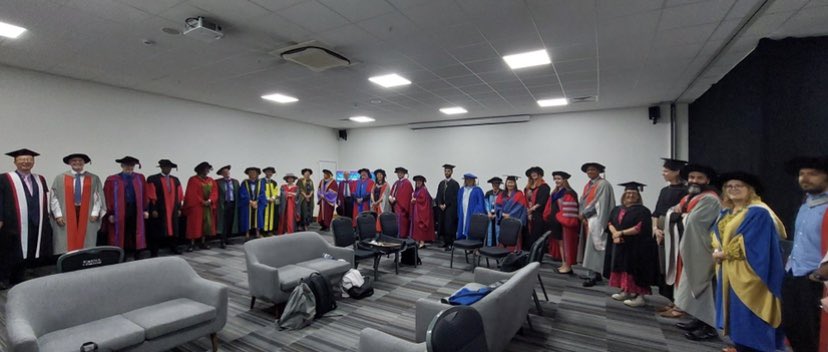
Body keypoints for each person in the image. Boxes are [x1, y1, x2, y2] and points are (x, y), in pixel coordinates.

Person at [712, 172, 786, 352]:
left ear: (750, 190)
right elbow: (717, 235)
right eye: (729, 186)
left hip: (751, 274)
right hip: (730, 271)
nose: (733, 189)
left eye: (739, 186)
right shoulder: (728, 212)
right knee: (737, 318)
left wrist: (725, 253)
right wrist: (717, 248)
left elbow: (753, 243)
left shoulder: (759, 213)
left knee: (751, 317)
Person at [781, 156, 828, 352]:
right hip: (795, 276)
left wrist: (821, 272)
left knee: (815, 336)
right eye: (802, 174)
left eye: (813, 174)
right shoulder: (805, 203)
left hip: (817, 281)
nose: (805, 178)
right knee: (794, 330)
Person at [670, 164, 721, 340]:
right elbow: (675, 211)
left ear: (707, 180)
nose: (694, 180)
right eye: (692, 177)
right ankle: (698, 319)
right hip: (691, 246)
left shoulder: (710, 199)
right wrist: (677, 214)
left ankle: (709, 327)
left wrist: (679, 215)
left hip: (702, 248)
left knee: (704, 288)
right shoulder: (691, 197)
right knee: (691, 285)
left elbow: (694, 223)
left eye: (699, 178)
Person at [0, 149, 52, 289]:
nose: (26, 162)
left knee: (29, 250)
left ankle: (20, 276)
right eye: (22, 160)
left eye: (29, 160)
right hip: (12, 222)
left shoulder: (39, 178)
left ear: (33, 162)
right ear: (15, 161)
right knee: (9, 250)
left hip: (35, 221)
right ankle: (4, 278)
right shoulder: (5, 178)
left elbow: (45, 199)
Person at [603, 182, 659, 308]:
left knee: (635, 271)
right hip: (620, 245)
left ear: (638, 196)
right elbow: (610, 223)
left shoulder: (643, 211)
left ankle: (640, 297)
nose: (630, 195)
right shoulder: (617, 209)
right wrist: (615, 234)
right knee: (623, 268)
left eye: (634, 193)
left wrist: (620, 233)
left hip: (637, 247)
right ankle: (626, 291)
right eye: (628, 193)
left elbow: (639, 228)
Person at [651, 158, 689, 313]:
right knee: (664, 267)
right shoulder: (664, 191)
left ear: (677, 172)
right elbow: (656, 212)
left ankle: (680, 303)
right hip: (660, 234)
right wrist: (655, 228)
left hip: (676, 234)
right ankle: (672, 300)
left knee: (676, 267)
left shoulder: (685, 192)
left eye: (666, 171)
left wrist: (667, 231)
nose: (663, 173)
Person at [49, 153, 104, 256]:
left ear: (84, 163)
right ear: (69, 163)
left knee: (87, 236)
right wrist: (58, 215)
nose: (77, 163)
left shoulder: (93, 178)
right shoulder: (60, 178)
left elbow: (98, 196)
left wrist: (95, 213)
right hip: (66, 212)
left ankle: (86, 258)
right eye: (74, 160)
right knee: (65, 238)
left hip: (87, 213)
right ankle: (66, 260)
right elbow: (54, 198)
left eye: (80, 161)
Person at [104, 156, 149, 260]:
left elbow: (145, 194)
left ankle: (136, 253)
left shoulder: (140, 177)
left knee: (135, 231)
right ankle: (121, 254)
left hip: (135, 209)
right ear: (122, 166)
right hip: (119, 210)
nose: (129, 168)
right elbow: (108, 197)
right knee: (122, 231)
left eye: (132, 166)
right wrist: (110, 213)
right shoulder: (112, 179)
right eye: (127, 165)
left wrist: (145, 209)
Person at [579, 162, 616, 287]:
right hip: (589, 220)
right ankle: (595, 273)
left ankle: (593, 275)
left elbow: (599, 204)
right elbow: (583, 200)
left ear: (599, 171)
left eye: (593, 169)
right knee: (591, 248)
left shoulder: (603, 184)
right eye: (588, 170)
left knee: (595, 248)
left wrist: (584, 213)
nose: (590, 172)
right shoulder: (589, 185)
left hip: (597, 221)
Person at [543, 171, 580, 275]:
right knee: (561, 244)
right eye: (555, 179)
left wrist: (558, 217)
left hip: (564, 224)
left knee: (566, 244)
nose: (557, 181)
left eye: (559, 179)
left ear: (564, 180)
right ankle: (564, 263)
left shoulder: (569, 193)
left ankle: (568, 265)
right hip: (557, 224)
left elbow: (569, 211)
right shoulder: (555, 193)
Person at [145, 159, 184, 256]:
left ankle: (174, 247)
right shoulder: (153, 179)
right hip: (160, 209)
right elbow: (151, 195)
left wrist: (179, 208)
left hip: (173, 209)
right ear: (161, 168)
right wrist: (153, 209)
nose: (168, 169)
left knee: (174, 229)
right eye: (166, 167)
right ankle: (154, 251)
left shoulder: (175, 180)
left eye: (169, 167)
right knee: (157, 230)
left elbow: (179, 195)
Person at [183, 162, 218, 251]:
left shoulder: (211, 180)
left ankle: (203, 242)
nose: (207, 171)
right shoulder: (193, 180)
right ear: (200, 170)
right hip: (196, 207)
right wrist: (202, 201)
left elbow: (215, 192)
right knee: (194, 226)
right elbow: (192, 194)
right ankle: (191, 244)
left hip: (208, 207)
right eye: (206, 169)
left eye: (208, 169)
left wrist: (209, 201)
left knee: (206, 225)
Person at [495, 176, 528, 251]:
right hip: (504, 220)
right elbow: (497, 206)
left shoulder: (519, 194)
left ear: (515, 183)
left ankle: (514, 254)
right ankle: (502, 254)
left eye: (512, 182)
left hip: (514, 221)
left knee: (514, 238)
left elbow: (521, 208)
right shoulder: (502, 194)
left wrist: (510, 215)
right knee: (504, 237)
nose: (510, 184)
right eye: (509, 182)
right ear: (506, 183)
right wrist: (502, 214)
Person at [524, 166, 550, 252]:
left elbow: (542, 201)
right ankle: (528, 254)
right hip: (528, 214)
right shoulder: (527, 188)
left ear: (540, 174)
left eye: (535, 172)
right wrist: (528, 212)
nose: (534, 174)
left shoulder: (544, 187)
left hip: (539, 214)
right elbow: (525, 200)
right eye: (532, 173)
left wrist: (531, 210)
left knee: (537, 234)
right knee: (528, 234)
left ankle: (536, 255)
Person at [436, 164, 460, 251]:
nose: (446, 173)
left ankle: (451, 243)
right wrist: (439, 204)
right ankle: (445, 242)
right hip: (442, 208)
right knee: (443, 225)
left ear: (452, 172)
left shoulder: (455, 184)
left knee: (450, 226)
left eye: (448, 171)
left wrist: (446, 204)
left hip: (450, 208)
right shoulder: (441, 183)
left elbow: (455, 197)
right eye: (445, 171)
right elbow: (438, 195)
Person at [239, 167, 267, 241]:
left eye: (254, 172)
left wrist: (256, 201)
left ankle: (257, 232)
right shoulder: (244, 183)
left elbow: (262, 193)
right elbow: (243, 193)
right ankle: (247, 233)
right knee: (246, 216)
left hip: (258, 203)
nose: (252, 174)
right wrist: (250, 201)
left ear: (257, 174)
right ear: (248, 174)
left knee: (259, 215)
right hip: (247, 203)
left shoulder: (261, 182)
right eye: (250, 173)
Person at [215, 165, 239, 249]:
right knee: (223, 223)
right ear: (221, 174)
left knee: (230, 222)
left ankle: (228, 238)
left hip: (232, 204)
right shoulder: (218, 182)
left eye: (227, 172)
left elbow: (237, 193)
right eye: (224, 172)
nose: (226, 173)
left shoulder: (235, 182)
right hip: (223, 204)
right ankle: (222, 241)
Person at [456, 173, 486, 241]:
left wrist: (476, 212)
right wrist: (459, 212)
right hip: (463, 212)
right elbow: (459, 201)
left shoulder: (478, 190)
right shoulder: (461, 190)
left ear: (474, 181)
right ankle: (464, 242)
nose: (468, 181)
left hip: (472, 213)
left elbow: (481, 203)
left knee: (472, 228)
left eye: (470, 180)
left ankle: (473, 245)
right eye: (467, 179)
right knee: (463, 227)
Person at [410, 175, 435, 248]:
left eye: (419, 181)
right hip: (416, 211)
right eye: (417, 181)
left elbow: (424, 201)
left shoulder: (423, 190)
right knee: (416, 226)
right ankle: (418, 241)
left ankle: (422, 242)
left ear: (422, 182)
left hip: (421, 212)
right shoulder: (417, 190)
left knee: (420, 226)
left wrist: (415, 200)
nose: (418, 182)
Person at [390, 167, 414, 238]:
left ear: (404, 174)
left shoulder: (407, 183)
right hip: (395, 206)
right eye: (398, 173)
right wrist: (390, 197)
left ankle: (401, 236)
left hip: (402, 208)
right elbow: (392, 192)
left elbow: (405, 196)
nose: (399, 174)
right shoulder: (396, 183)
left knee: (401, 224)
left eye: (401, 173)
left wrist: (395, 199)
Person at [484, 177, 503, 246]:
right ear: (491, 184)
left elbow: (504, 206)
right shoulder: (488, 193)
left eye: (497, 183)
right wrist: (488, 213)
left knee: (498, 231)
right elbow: (485, 203)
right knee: (490, 232)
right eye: (494, 183)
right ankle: (489, 246)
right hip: (490, 216)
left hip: (499, 216)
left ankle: (498, 247)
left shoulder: (503, 193)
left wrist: (496, 215)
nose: (495, 185)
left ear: (499, 184)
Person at [262, 167, 279, 236]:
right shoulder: (261, 181)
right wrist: (267, 198)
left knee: (271, 216)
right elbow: (261, 191)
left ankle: (270, 230)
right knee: (263, 216)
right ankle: (263, 231)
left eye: (271, 172)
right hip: (264, 202)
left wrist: (273, 197)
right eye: (268, 172)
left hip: (272, 202)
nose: (269, 173)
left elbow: (276, 191)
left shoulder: (274, 182)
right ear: (265, 173)